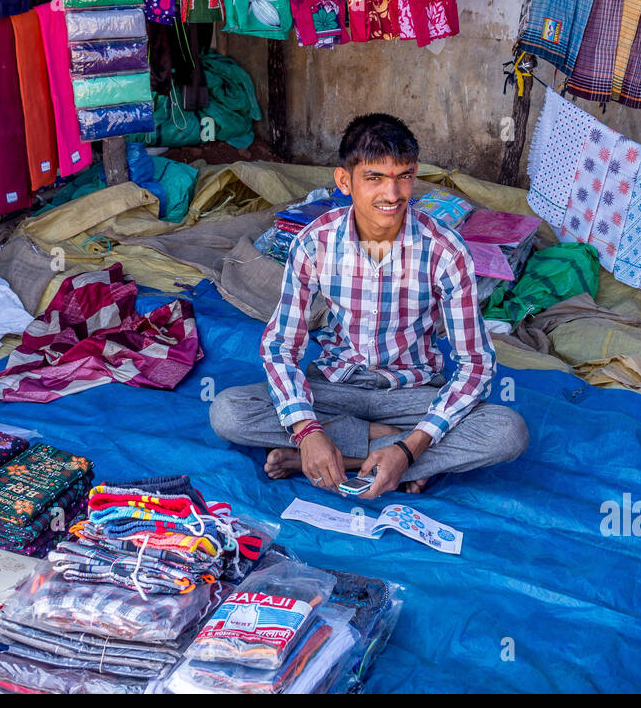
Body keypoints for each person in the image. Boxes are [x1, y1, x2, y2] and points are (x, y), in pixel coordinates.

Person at [208, 113, 528, 498]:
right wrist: (308, 430)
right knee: (228, 411)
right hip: (334, 385)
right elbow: (280, 347)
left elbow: (476, 364)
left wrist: (411, 447)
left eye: (404, 176)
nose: (392, 195)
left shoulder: (444, 251)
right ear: (345, 181)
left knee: (508, 432)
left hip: (413, 393)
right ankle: (370, 446)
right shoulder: (315, 242)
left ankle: (358, 457)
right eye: (374, 178)